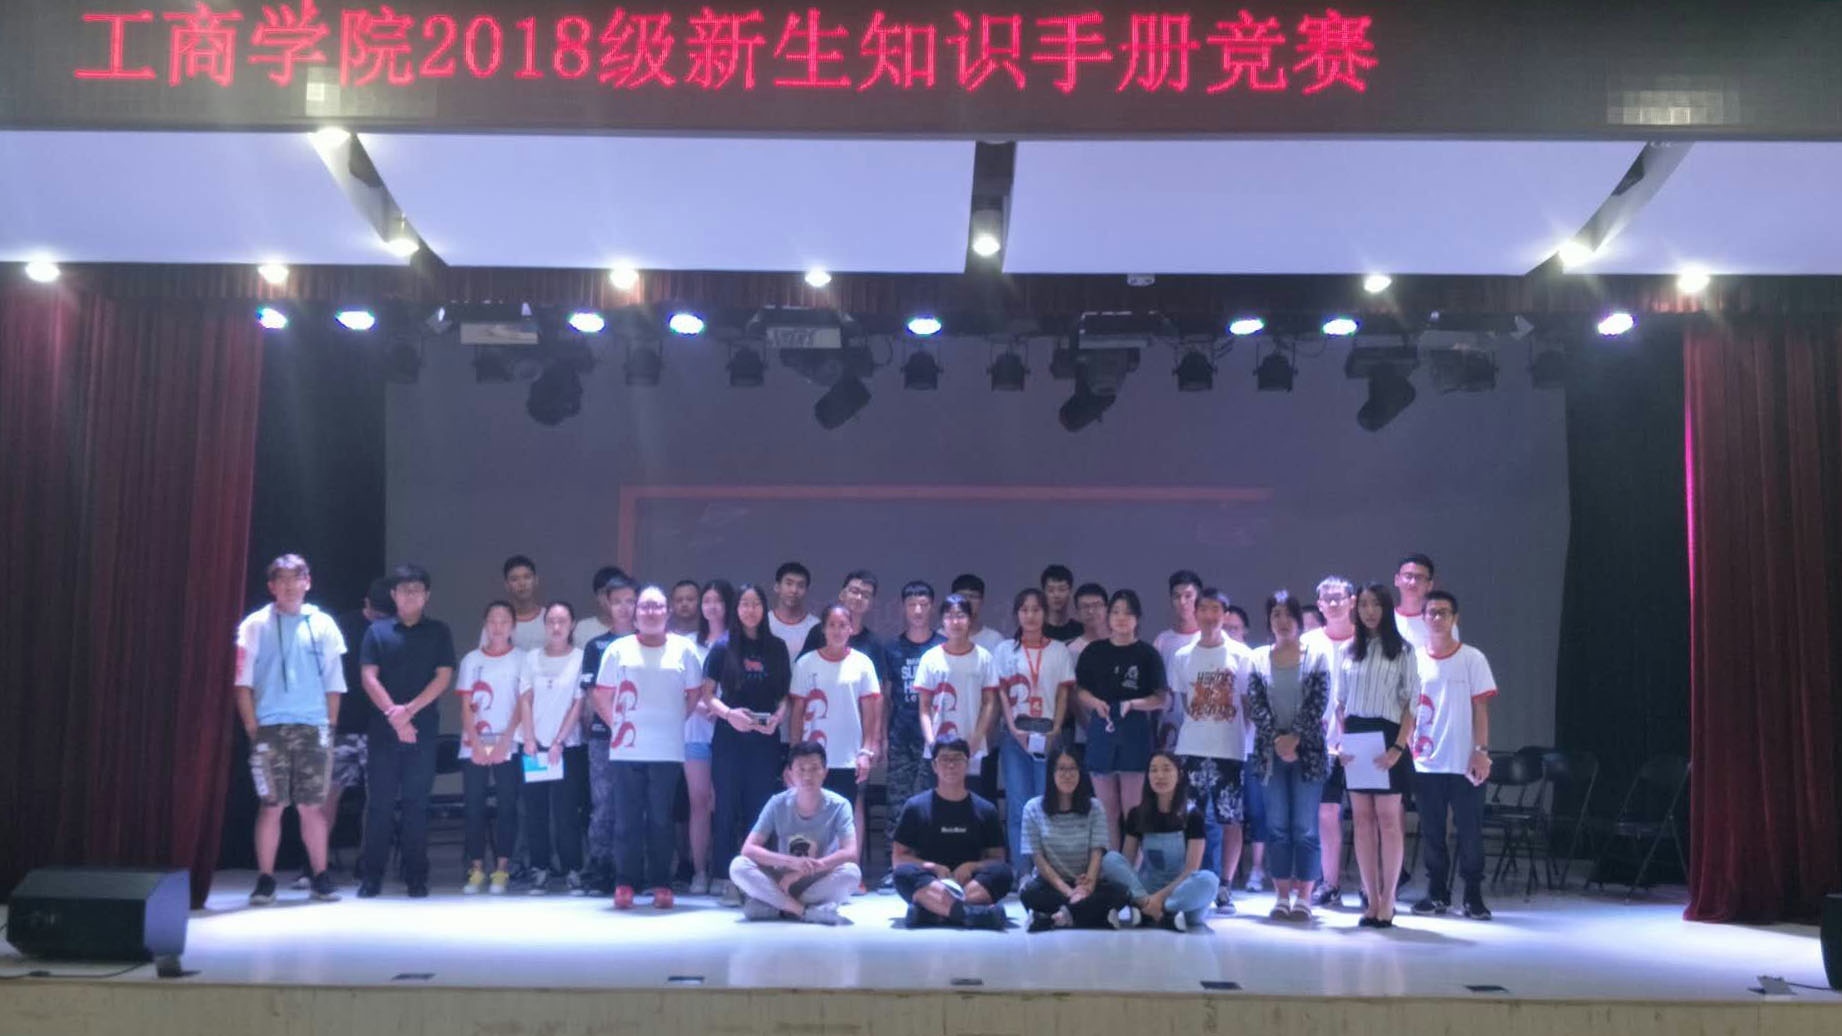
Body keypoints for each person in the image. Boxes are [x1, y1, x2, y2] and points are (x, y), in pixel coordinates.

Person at [234, 554, 349, 905]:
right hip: (270, 727)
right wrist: (251, 725)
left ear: (307, 582)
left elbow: (334, 680)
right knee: (271, 805)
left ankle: (320, 876)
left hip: (314, 726)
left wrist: (330, 725)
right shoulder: (255, 625)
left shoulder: (323, 624)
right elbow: (242, 681)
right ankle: (266, 879)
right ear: (271, 586)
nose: (289, 585)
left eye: (295, 578)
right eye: (281, 579)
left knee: (312, 805)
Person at [593, 584, 706, 909]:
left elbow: (694, 694)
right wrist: (619, 725)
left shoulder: (684, 649)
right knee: (627, 819)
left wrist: (674, 720)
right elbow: (601, 695)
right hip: (627, 748)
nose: (651, 612)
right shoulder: (619, 649)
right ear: (636, 613)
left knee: (660, 819)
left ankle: (661, 883)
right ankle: (625, 882)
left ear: (667, 612)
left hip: (667, 749)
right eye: (645, 607)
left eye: (657, 606)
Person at [357, 564, 457, 899]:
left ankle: (416, 876)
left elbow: (443, 677)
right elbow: (368, 677)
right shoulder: (377, 631)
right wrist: (394, 715)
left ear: (426, 595)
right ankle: (371, 876)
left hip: (422, 730)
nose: (410, 595)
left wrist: (409, 712)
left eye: (417, 589)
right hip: (383, 731)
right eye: (404, 589)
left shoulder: (439, 631)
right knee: (380, 804)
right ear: (394, 594)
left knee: (417, 804)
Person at [702, 583, 792, 906]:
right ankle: (724, 876)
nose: (750, 610)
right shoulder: (722, 647)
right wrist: (730, 715)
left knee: (761, 807)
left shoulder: (777, 647)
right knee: (726, 806)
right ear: (736, 609)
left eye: (756, 604)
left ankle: (757, 876)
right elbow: (707, 696)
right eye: (744, 604)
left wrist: (778, 717)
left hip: (765, 739)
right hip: (729, 738)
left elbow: (785, 695)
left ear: (763, 609)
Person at [1338, 582, 1421, 928]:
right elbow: (1340, 703)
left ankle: (1389, 899)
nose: (1369, 611)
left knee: (1388, 819)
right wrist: (1342, 743)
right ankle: (1370, 898)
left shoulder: (1403, 650)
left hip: (1388, 735)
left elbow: (1412, 703)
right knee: (1362, 820)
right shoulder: (1348, 650)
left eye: (1376, 604)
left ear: (1386, 609)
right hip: (1356, 735)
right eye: (1364, 605)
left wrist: (1398, 747)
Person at [1246, 591, 1333, 920]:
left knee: (1305, 828)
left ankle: (1305, 897)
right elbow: (1256, 705)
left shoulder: (1317, 656)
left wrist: (1294, 738)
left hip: (1308, 753)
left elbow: (1317, 703)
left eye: (1288, 615)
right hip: (1270, 754)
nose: (1282, 621)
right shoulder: (1258, 658)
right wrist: (1278, 741)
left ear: (1298, 620)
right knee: (1277, 827)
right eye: (1276, 615)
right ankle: (1281, 896)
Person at [1410, 591, 1496, 921]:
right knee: (1432, 832)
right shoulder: (1414, 659)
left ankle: (1473, 895)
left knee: (1470, 831)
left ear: (1455, 618)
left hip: (1464, 762)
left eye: (1443, 612)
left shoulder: (1472, 658)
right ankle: (1437, 893)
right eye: (1431, 612)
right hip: (1425, 762)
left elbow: (1481, 708)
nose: (1437, 618)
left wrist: (1481, 752)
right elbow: (1408, 709)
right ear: (1423, 618)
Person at [1168, 588, 1253, 914]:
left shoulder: (1241, 654)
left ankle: (1225, 885)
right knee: (1190, 816)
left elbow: (1246, 704)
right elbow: (1184, 701)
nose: (1208, 615)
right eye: (1203, 609)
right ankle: (1190, 879)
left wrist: (1237, 735)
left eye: (1215, 609)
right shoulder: (1182, 655)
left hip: (1229, 749)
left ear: (1225, 614)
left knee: (1230, 819)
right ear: (1195, 613)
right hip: (1191, 748)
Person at [309, 577, 391, 889]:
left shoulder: (392, 629)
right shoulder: (341, 626)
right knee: (327, 796)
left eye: (385, 615)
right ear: (366, 603)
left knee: (377, 798)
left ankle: (367, 863)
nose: (379, 620)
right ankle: (314, 865)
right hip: (340, 725)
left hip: (378, 726)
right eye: (376, 613)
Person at [1075, 589, 1168, 849]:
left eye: (1127, 612)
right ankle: (1113, 864)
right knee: (1107, 812)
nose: (1121, 618)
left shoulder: (1147, 654)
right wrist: (1094, 702)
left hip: (1134, 732)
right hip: (1101, 730)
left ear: (1137, 618)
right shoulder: (1094, 651)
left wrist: (1134, 704)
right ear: (1108, 616)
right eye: (1115, 612)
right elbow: (1080, 690)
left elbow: (1161, 698)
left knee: (1133, 810)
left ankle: (1132, 866)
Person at [729, 740, 860, 924]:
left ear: (825, 772)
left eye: (814, 768)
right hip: (781, 879)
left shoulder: (839, 805)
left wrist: (803, 872)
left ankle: (777, 906)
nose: (807, 776)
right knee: (738, 866)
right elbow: (748, 849)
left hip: (817, 879)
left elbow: (850, 852)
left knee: (852, 874)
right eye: (801, 769)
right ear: (790, 773)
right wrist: (791, 862)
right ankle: (802, 910)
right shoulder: (777, 803)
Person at [991, 589, 1075, 871]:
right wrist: (1013, 728)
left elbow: (1063, 694)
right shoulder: (1005, 650)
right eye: (1024, 609)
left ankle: (1046, 871)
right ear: (1017, 614)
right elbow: (1002, 693)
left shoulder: (1058, 650)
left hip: (1048, 735)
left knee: (1047, 805)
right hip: (1015, 735)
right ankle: (1021, 871)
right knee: (1018, 806)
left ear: (1044, 614)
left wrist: (1056, 729)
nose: (1030, 615)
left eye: (1036, 609)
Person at [889, 739, 1013, 930]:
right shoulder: (915, 807)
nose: (951, 765)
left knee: (1003, 873)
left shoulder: (986, 809)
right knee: (902, 874)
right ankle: (971, 914)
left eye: (957, 759)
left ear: (967, 764)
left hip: (971, 883)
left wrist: (971, 866)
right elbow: (898, 859)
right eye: (945, 759)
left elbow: (998, 859)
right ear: (934, 765)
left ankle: (932, 912)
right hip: (931, 882)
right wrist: (934, 868)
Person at [790, 604, 883, 849]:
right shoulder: (806, 663)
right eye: (831, 625)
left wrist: (866, 751)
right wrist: (794, 754)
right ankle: (810, 866)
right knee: (810, 815)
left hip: (848, 757)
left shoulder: (863, 663)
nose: (837, 630)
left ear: (851, 629)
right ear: (823, 629)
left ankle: (849, 866)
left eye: (843, 625)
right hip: (812, 758)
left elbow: (870, 712)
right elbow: (797, 712)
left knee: (847, 816)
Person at [1102, 752, 1221, 931]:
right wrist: (1143, 895)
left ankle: (1154, 910)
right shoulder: (1136, 814)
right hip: (1146, 888)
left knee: (1209, 880)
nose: (1160, 775)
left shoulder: (1193, 815)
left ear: (1179, 775)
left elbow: (1191, 870)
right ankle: (1160, 912)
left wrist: (1158, 899)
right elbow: (1126, 862)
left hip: (1182, 890)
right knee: (1110, 859)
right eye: (1154, 770)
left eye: (1166, 769)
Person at [516, 602, 585, 894]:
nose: (556, 627)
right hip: (534, 746)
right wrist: (530, 739)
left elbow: (578, 703)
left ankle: (573, 869)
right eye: (551, 621)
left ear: (572, 625)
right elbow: (525, 699)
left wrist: (559, 741)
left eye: (562, 621)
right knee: (536, 811)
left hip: (567, 747)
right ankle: (540, 869)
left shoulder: (580, 658)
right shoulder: (531, 658)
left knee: (566, 811)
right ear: (545, 625)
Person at [1020, 748, 1128, 930]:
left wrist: (1088, 887)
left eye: (1072, 769)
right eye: (1061, 769)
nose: (1068, 775)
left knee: (1122, 893)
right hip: (1052, 884)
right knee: (1028, 893)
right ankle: (1093, 917)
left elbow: (1097, 853)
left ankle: (1052, 918)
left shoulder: (1095, 807)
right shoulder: (1033, 808)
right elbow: (1039, 860)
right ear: (1051, 773)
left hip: (1086, 883)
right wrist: (1070, 893)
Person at [457, 601, 524, 895]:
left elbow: (522, 703)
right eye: (493, 620)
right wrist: (474, 742)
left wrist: (505, 741)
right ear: (485, 624)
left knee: (507, 805)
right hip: (474, 743)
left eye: (504, 620)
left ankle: (502, 868)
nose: (498, 626)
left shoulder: (522, 659)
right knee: (474, 806)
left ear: (513, 626)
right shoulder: (471, 660)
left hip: (508, 742)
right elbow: (465, 704)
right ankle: (476, 868)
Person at [577, 573, 637, 895]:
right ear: (607, 605)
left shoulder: (652, 642)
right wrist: (618, 725)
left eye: (630, 601)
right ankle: (600, 869)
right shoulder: (596, 646)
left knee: (637, 804)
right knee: (603, 804)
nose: (624, 608)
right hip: (605, 736)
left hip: (642, 739)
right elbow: (592, 694)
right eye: (618, 602)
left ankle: (635, 870)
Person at [882, 580, 945, 881]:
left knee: (932, 802)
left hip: (935, 739)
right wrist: (883, 736)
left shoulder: (943, 646)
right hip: (901, 736)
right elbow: (885, 696)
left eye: (923, 604)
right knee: (898, 803)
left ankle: (930, 864)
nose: (918, 610)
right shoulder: (892, 648)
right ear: (903, 608)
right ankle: (895, 867)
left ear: (932, 606)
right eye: (912, 605)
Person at [1301, 577, 1356, 907]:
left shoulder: (1366, 640)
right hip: (1321, 744)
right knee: (1326, 813)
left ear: (1352, 601)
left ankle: (1373, 887)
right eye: (1327, 599)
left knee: (1369, 815)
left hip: (1361, 741)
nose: (1334, 604)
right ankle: (1330, 884)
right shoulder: (1308, 642)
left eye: (1339, 598)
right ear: (1319, 605)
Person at [681, 579, 736, 895]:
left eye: (718, 600)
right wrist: (705, 707)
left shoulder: (737, 642)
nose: (712, 606)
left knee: (725, 803)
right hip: (696, 732)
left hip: (730, 734)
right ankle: (699, 871)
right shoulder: (688, 643)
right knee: (699, 802)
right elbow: (680, 686)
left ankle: (724, 871)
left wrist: (725, 711)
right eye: (707, 601)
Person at [915, 594, 999, 773]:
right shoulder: (930, 658)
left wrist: (978, 737)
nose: (955, 622)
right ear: (942, 622)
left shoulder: (984, 658)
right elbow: (924, 707)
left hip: (973, 744)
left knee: (971, 789)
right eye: (949, 616)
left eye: (960, 616)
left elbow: (989, 702)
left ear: (970, 620)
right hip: (938, 745)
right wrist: (931, 742)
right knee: (939, 789)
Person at [799, 571, 890, 688]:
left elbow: (877, 687)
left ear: (871, 604)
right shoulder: (819, 631)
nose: (859, 598)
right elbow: (801, 670)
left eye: (866, 595)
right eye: (854, 591)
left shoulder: (874, 643)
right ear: (842, 594)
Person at [1153, 570, 1205, 752]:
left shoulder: (1209, 639)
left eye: (1188, 596)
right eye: (1176, 597)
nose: (1182, 602)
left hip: (1204, 731)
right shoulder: (1162, 641)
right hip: (1168, 732)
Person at [1064, 582, 1110, 757]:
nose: (1091, 611)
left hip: (1121, 733)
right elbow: (1071, 695)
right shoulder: (1070, 650)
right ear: (1076, 612)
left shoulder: (1122, 643)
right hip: (1085, 735)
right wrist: (1089, 727)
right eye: (1085, 607)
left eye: (1097, 605)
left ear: (1107, 608)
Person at [491, 555, 547, 651]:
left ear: (536, 580)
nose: (522, 583)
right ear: (507, 585)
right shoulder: (495, 623)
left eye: (527, 577)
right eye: (514, 579)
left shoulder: (551, 619)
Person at [942, 574, 1006, 654]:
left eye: (973, 596)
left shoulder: (995, 640)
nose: (967, 601)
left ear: (982, 601)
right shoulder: (940, 637)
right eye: (962, 596)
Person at [767, 562, 818, 661]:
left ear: (806, 590)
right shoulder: (764, 622)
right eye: (789, 584)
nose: (794, 590)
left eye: (800, 585)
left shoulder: (816, 627)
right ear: (777, 587)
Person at [1393, 553, 1444, 650]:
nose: (1413, 583)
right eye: (1408, 576)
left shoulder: (1442, 623)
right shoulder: (1383, 619)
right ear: (1397, 580)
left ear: (1430, 585)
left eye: (1419, 578)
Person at [573, 565, 628, 648]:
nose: (610, 597)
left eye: (614, 591)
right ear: (597, 597)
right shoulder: (583, 628)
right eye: (604, 592)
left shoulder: (637, 628)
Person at [1041, 564, 1083, 642]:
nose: (1056, 595)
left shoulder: (1081, 631)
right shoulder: (1035, 631)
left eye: (1062, 589)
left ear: (1070, 592)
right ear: (1044, 593)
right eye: (1051, 590)